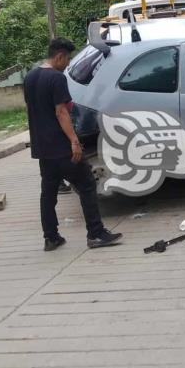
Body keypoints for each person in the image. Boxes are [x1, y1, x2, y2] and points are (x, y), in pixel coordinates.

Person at [24, 37, 122, 251]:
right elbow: (61, 112)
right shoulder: (56, 78)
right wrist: (74, 142)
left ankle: (51, 237)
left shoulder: (30, 77)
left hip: (42, 149)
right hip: (61, 147)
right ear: (59, 56)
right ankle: (96, 233)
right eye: (67, 59)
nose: (68, 64)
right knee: (87, 185)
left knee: (48, 193)